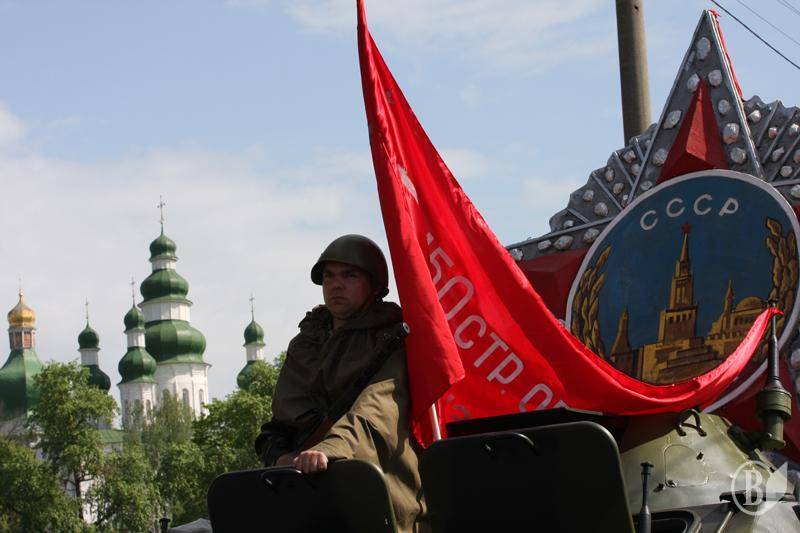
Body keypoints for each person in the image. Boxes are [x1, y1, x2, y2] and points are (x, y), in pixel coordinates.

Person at [255, 234, 428, 533]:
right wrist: (279, 456)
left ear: (375, 286)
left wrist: (330, 449)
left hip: (380, 496)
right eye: (329, 276)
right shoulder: (305, 343)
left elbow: (376, 411)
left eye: (349, 275)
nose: (336, 285)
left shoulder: (393, 338)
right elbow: (280, 424)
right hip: (308, 498)